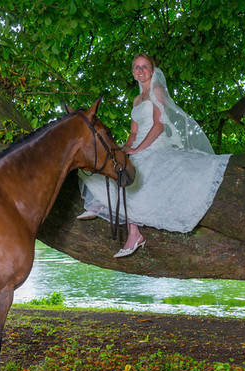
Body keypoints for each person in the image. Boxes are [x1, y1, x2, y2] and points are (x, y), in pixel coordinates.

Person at [78, 53, 231, 257]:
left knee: (132, 177)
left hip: (155, 145)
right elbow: (133, 132)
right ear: (133, 72)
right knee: (109, 163)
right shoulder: (136, 99)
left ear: (152, 70)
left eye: (145, 67)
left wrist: (138, 149)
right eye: (137, 67)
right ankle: (101, 205)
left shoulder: (157, 91)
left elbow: (159, 126)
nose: (141, 70)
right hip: (139, 144)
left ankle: (134, 233)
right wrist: (126, 148)